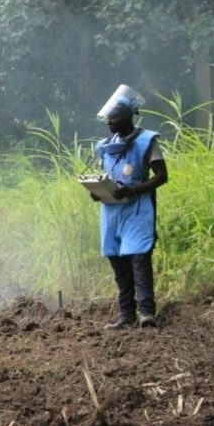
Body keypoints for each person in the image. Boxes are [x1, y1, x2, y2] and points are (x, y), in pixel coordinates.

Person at [90, 85, 168, 330]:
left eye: (114, 121)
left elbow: (162, 176)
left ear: (126, 119)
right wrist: (97, 191)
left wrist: (133, 190)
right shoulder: (105, 145)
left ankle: (146, 312)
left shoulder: (147, 141)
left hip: (137, 209)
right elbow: (106, 174)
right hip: (112, 211)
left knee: (138, 258)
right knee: (117, 260)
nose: (110, 125)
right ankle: (126, 314)